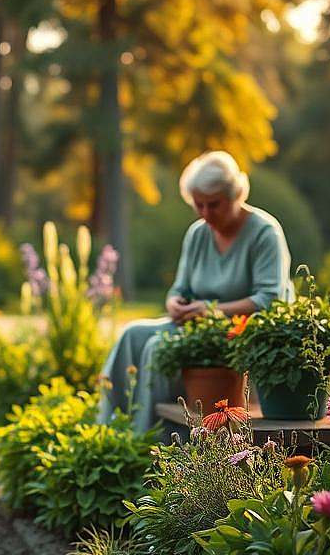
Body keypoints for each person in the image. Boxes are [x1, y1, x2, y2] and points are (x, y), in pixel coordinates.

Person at [99, 151, 294, 431]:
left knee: (159, 347)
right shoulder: (198, 233)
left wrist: (210, 310)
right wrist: (175, 303)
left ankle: (151, 443)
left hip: (243, 331)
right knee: (131, 335)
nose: (205, 213)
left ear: (236, 195)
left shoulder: (264, 232)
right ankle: (111, 429)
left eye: (213, 205)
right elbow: (180, 288)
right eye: (198, 205)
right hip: (199, 326)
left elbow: (270, 299)